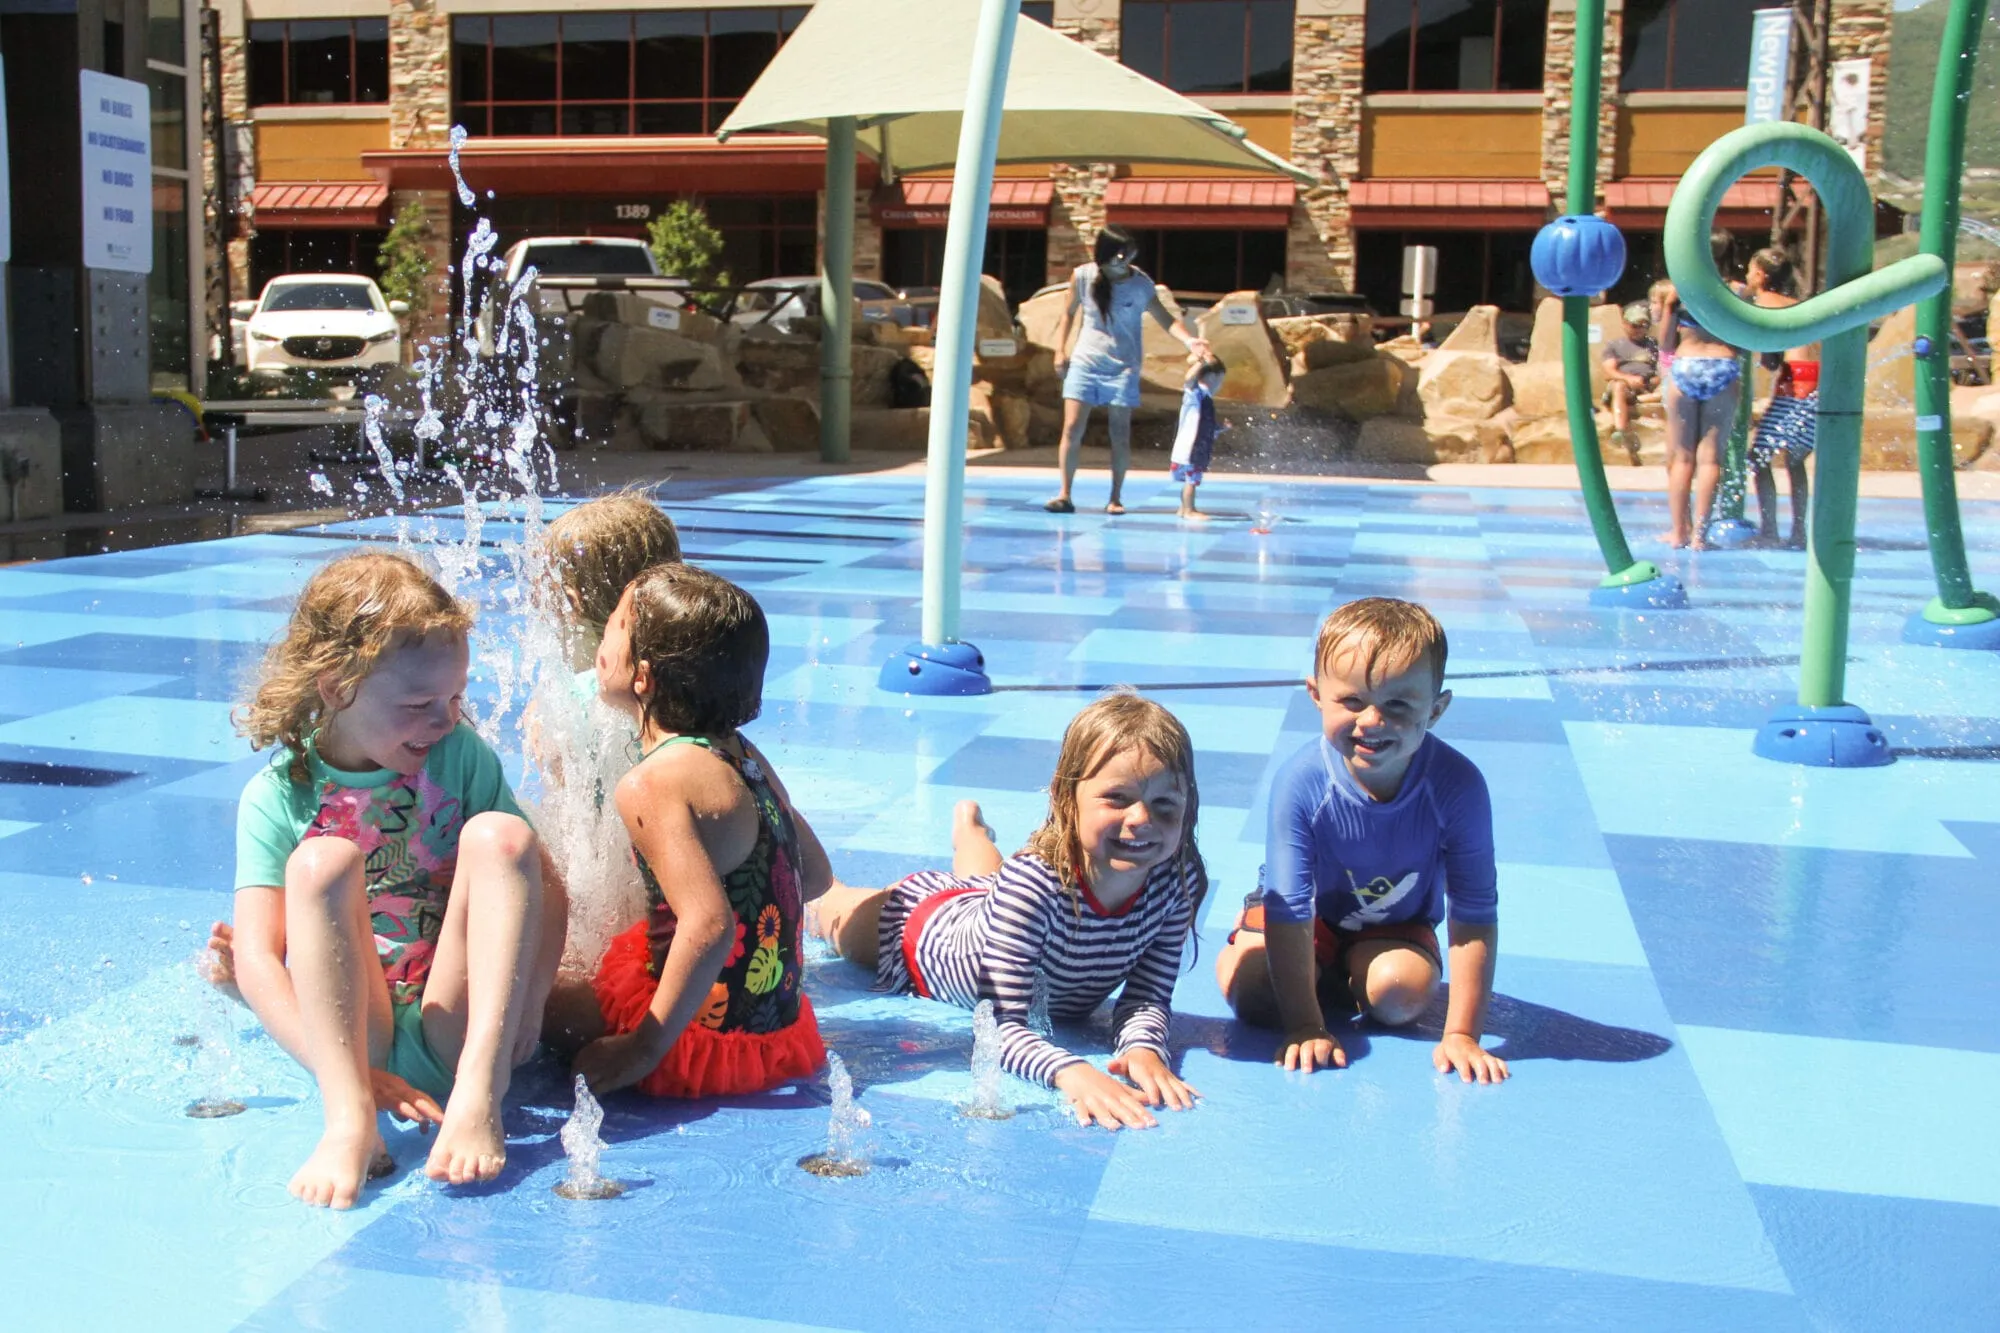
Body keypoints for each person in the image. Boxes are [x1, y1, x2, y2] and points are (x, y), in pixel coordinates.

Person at [224, 551, 566, 1209]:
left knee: (503, 836)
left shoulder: (459, 754)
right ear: (335, 685)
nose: (443, 720)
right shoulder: (277, 797)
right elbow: (257, 959)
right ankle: (347, 1121)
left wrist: (534, 1000)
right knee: (322, 862)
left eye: (456, 698)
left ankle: (479, 1091)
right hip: (355, 1042)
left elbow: (541, 885)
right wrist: (345, 1074)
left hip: (457, 1026)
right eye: (418, 702)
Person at [809, 692, 1207, 1130]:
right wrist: (1070, 1072)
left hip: (990, 903)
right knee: (826, 907)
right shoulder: (1032, 884)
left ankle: (971, 833)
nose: (1142, 819)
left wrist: (1144, 1048)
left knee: (987, 881)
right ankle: (779, 826)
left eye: (1164, 804)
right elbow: (1002, 1028)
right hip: (919, 930)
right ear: (1064, 797)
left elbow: (1147, 996)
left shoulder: (1175, 881)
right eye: (1116, 798)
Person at [548, 564, 832, 1099]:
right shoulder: (746, 755)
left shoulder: (650, 783)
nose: (602, 634)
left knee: (531, 998)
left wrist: (641, 1049)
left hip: (695, 1047)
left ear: (643, 677)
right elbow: (814, 877)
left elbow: (708, 927)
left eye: (613, 624)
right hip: (780, 1038)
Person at [1214, 597, 1507, 1085]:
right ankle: (1299, 961)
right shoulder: (1302, 782)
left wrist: (1462, 1034)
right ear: (1316, 695)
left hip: (1392, 924)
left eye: (1398, 704)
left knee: (1400, 996)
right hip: (1303, 915)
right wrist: (1305, 1025)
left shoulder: (1458, 787)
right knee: (1255, 995)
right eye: (1352, 701)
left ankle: (1336, 969)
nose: (1372, 721)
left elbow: (1474, 912)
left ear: (1436, 709)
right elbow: (1290, 907)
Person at [530, 489, 682, 975]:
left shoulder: (558, 705)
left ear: (569, 601)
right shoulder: (683, 695)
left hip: (615, 929)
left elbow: (574, 818)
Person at [1045, 225, 1211, 516]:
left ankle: (1115, 497)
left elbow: (1165, 318)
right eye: (1119, 254)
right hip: (1086, 362)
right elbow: (1067, 312)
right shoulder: (1084, 276)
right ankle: (1065, 494)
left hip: (1124, 366)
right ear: (1105, 255)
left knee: (1119, 433)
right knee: (1072, 428)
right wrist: (1060, 350)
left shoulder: (1141, 284)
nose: (1125, 259)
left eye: (1129, 253)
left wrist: (1190, 341)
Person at [1656, 230, 1747, 550]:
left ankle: (1679, 532)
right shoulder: (1739, 291)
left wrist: (1669, 308)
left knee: (1681, 459)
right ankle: (1700, 536)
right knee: (1711, 460)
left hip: (1686, 366)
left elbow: (1665, 343)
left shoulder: (1680, 291)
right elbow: (1744, 341)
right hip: (1722, 367)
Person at [1745, 247, 1817, 549]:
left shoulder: (1761, 303)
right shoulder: (1797, 304)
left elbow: (1770, 361)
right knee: (1795, 460)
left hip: (1795, 382)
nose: (1746, 276)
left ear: (1760, 275)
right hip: (1816, 379)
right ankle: (1799, 533)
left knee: (1758, 459)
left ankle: (1769, 530)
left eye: (1749, 270)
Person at [1171, 357, 1226, 521]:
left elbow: (1205, 426)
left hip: (1196, 446)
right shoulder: (1195, 394)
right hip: (1191, 448)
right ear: (1208, 377)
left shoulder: (1206, 399)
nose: (1219, 385)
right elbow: (1188, 379)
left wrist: (1220, 428)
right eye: (1219, 380)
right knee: (1192, 480)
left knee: (1191, 478)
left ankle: (1183, 508)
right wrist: (1201, 361)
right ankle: (1189, 510)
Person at [1600, 302, 1658, 453]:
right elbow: (1608, 371)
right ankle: (1620, 430)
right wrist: (1628, 379)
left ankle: (1637, 401)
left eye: (1643, 325)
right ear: (1625, 324)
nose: (1639, 329)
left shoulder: (1653, 345)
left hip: (1648, 386)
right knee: (1618, 385)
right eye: (1635, 325)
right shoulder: (1615, 345)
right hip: (1625, 385)